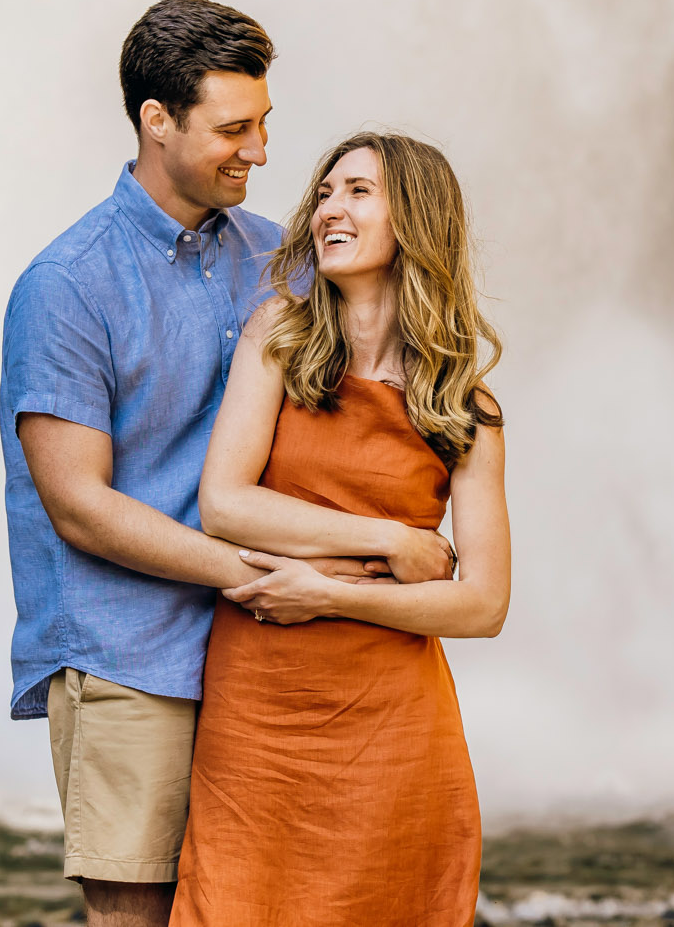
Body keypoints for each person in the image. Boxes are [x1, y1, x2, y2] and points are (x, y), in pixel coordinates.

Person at [0, 0, 456, 927]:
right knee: (140, 912)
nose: (257, 152)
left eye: (264, 126)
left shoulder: (280, 263)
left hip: (272, 663)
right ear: (155, 120)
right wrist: (277, 573)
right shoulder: (68, 286)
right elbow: (79, 507)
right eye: (232, 130)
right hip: (135, 657)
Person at [168, 131, 511, 926]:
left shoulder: (465, 402)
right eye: (324, 193)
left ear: (415, 220)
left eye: (358, 191)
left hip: (392, 726)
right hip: (260, 714)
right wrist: (390, 541)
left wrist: (327, 593)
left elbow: (483, 604)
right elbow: (225, 502)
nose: (329, 208)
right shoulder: (278, 338)